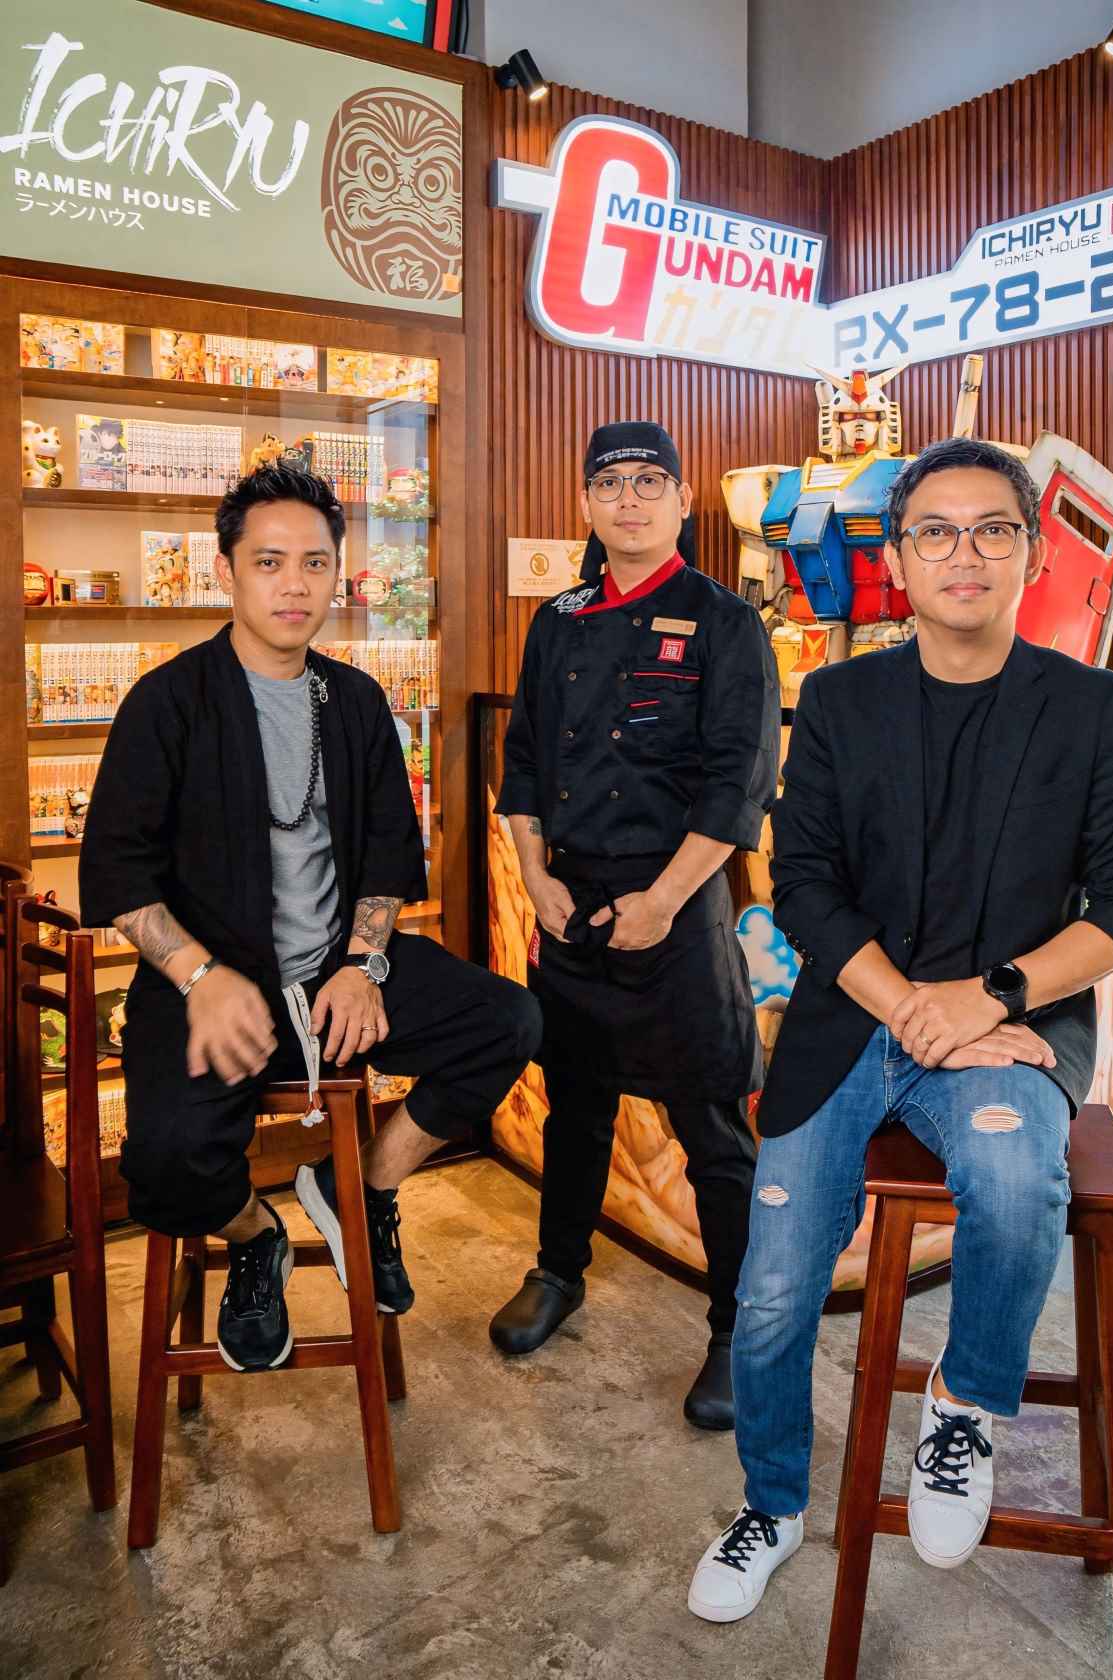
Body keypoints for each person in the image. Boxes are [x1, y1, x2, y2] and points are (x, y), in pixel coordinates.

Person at [687, 435, 1113, 1618]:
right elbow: (803, 884)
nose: (966, 553)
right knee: (771, 1288)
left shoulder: (1090, 707)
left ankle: (963, 1404)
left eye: (993, 529)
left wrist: (989, 998)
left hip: (1008, 1030)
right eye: (937, 532)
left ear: (1031, 553)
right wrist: (912, 1006)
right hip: (853, 1020)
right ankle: (772, 1504)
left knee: (1013, 1187)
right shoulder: (840, 700)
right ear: (898, 560)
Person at [81, 464, 540, 1373]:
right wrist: (201, 977)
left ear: (337, 574)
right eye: (269, 562)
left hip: (336, 970)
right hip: (207, 978)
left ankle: (359, 1184)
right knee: (165, 1159)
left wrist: (364, 964)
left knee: (510, 1020)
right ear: (225, 571)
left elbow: (386, 857)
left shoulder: (357, 700)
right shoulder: (167, 701)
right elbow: (120, 874)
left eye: (315, 563)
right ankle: (257, 1237)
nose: (295, 585)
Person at [490, 422, 780, 1429]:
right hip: (571, 902)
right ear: (586, 503)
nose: (628, 499)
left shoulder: (723, 621)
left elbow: (739, 783)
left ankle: (739, 1330)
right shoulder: (559, 619)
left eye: (649, 481)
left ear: (682, 499)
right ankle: (557, 1271)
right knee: (575, 1105)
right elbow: (524, 761)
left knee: (713, 1129)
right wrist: (535, 876)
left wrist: (662, 901)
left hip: (680, 905)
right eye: (609, 483)